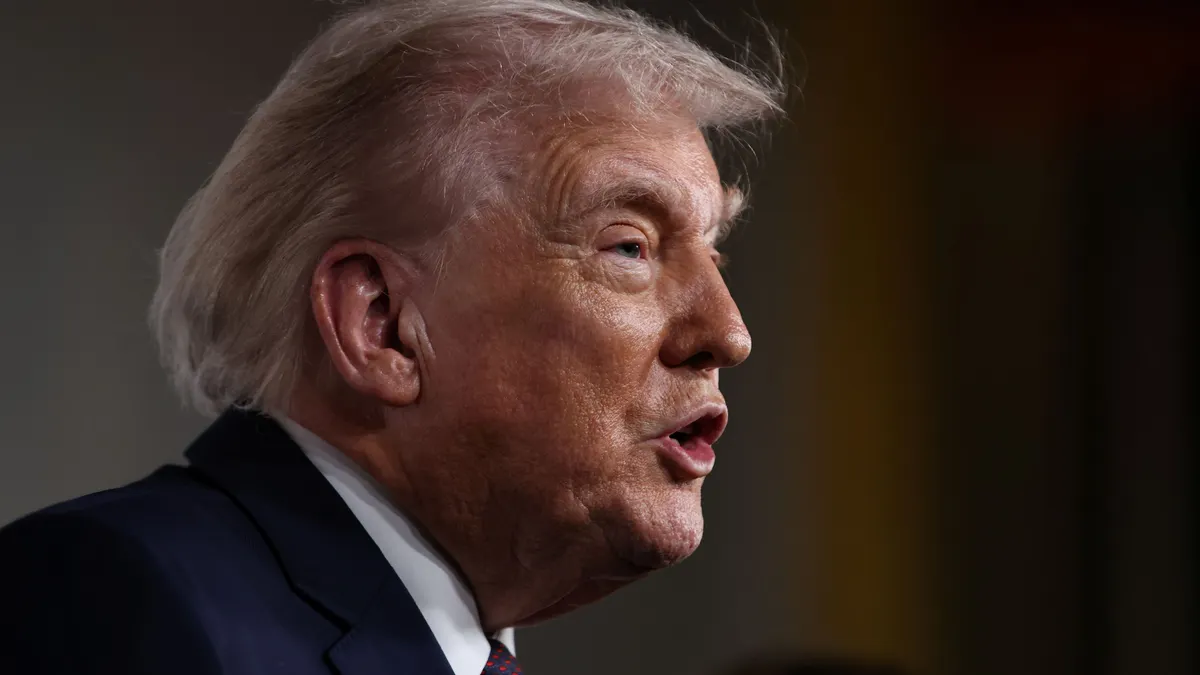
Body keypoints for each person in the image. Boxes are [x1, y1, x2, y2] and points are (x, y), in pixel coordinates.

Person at [0, 1, 783, 673]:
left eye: (713, 252)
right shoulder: (118, 601)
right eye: (629, 246)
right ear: (381, 325)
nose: (729, 332)